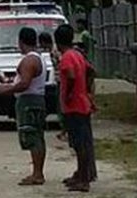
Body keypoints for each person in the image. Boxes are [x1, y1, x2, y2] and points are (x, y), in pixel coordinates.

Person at [0, 27, 48, 186]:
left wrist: (6, 90)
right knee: (36, 136)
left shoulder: (29, 60)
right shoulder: (37, 58)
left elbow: (24, 84)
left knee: (32, 136)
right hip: (35, 99)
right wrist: (7, 82)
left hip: (29, 102)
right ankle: (37, 172)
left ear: (21, 41)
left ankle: (37, 174)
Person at [56, 23, 97, 192]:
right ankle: (81, 173)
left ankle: (84, 179)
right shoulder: (78, 55)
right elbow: (91, 71)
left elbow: (71, 76)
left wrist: (68, 95)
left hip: (74, 107)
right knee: (81, 142)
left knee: (79, 144)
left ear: (57, 42)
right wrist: (86, 90)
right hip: (83, 103)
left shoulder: (66, 57)